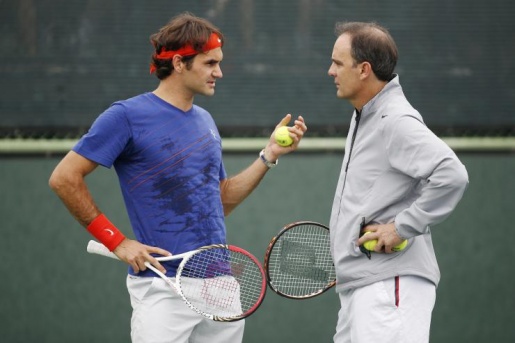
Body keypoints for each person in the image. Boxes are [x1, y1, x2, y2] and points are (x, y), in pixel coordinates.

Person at [49, 12, 307, 343]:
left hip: (219, 285)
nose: (219, 72)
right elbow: (64, 178)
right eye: (210, 63)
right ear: (180, 63)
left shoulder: (205, 121)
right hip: (162, 287)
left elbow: (219, 200)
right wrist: (117, 241)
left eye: (219, 62)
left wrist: (268, 155)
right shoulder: (125, 116)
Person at [327, 21, 468, 343]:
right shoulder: (366, 114)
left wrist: (401, 227)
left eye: (337, 63)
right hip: (363, 284)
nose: (330, 71)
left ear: (363, 69)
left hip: (389, 284)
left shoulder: (395, 120)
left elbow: (452, 174)